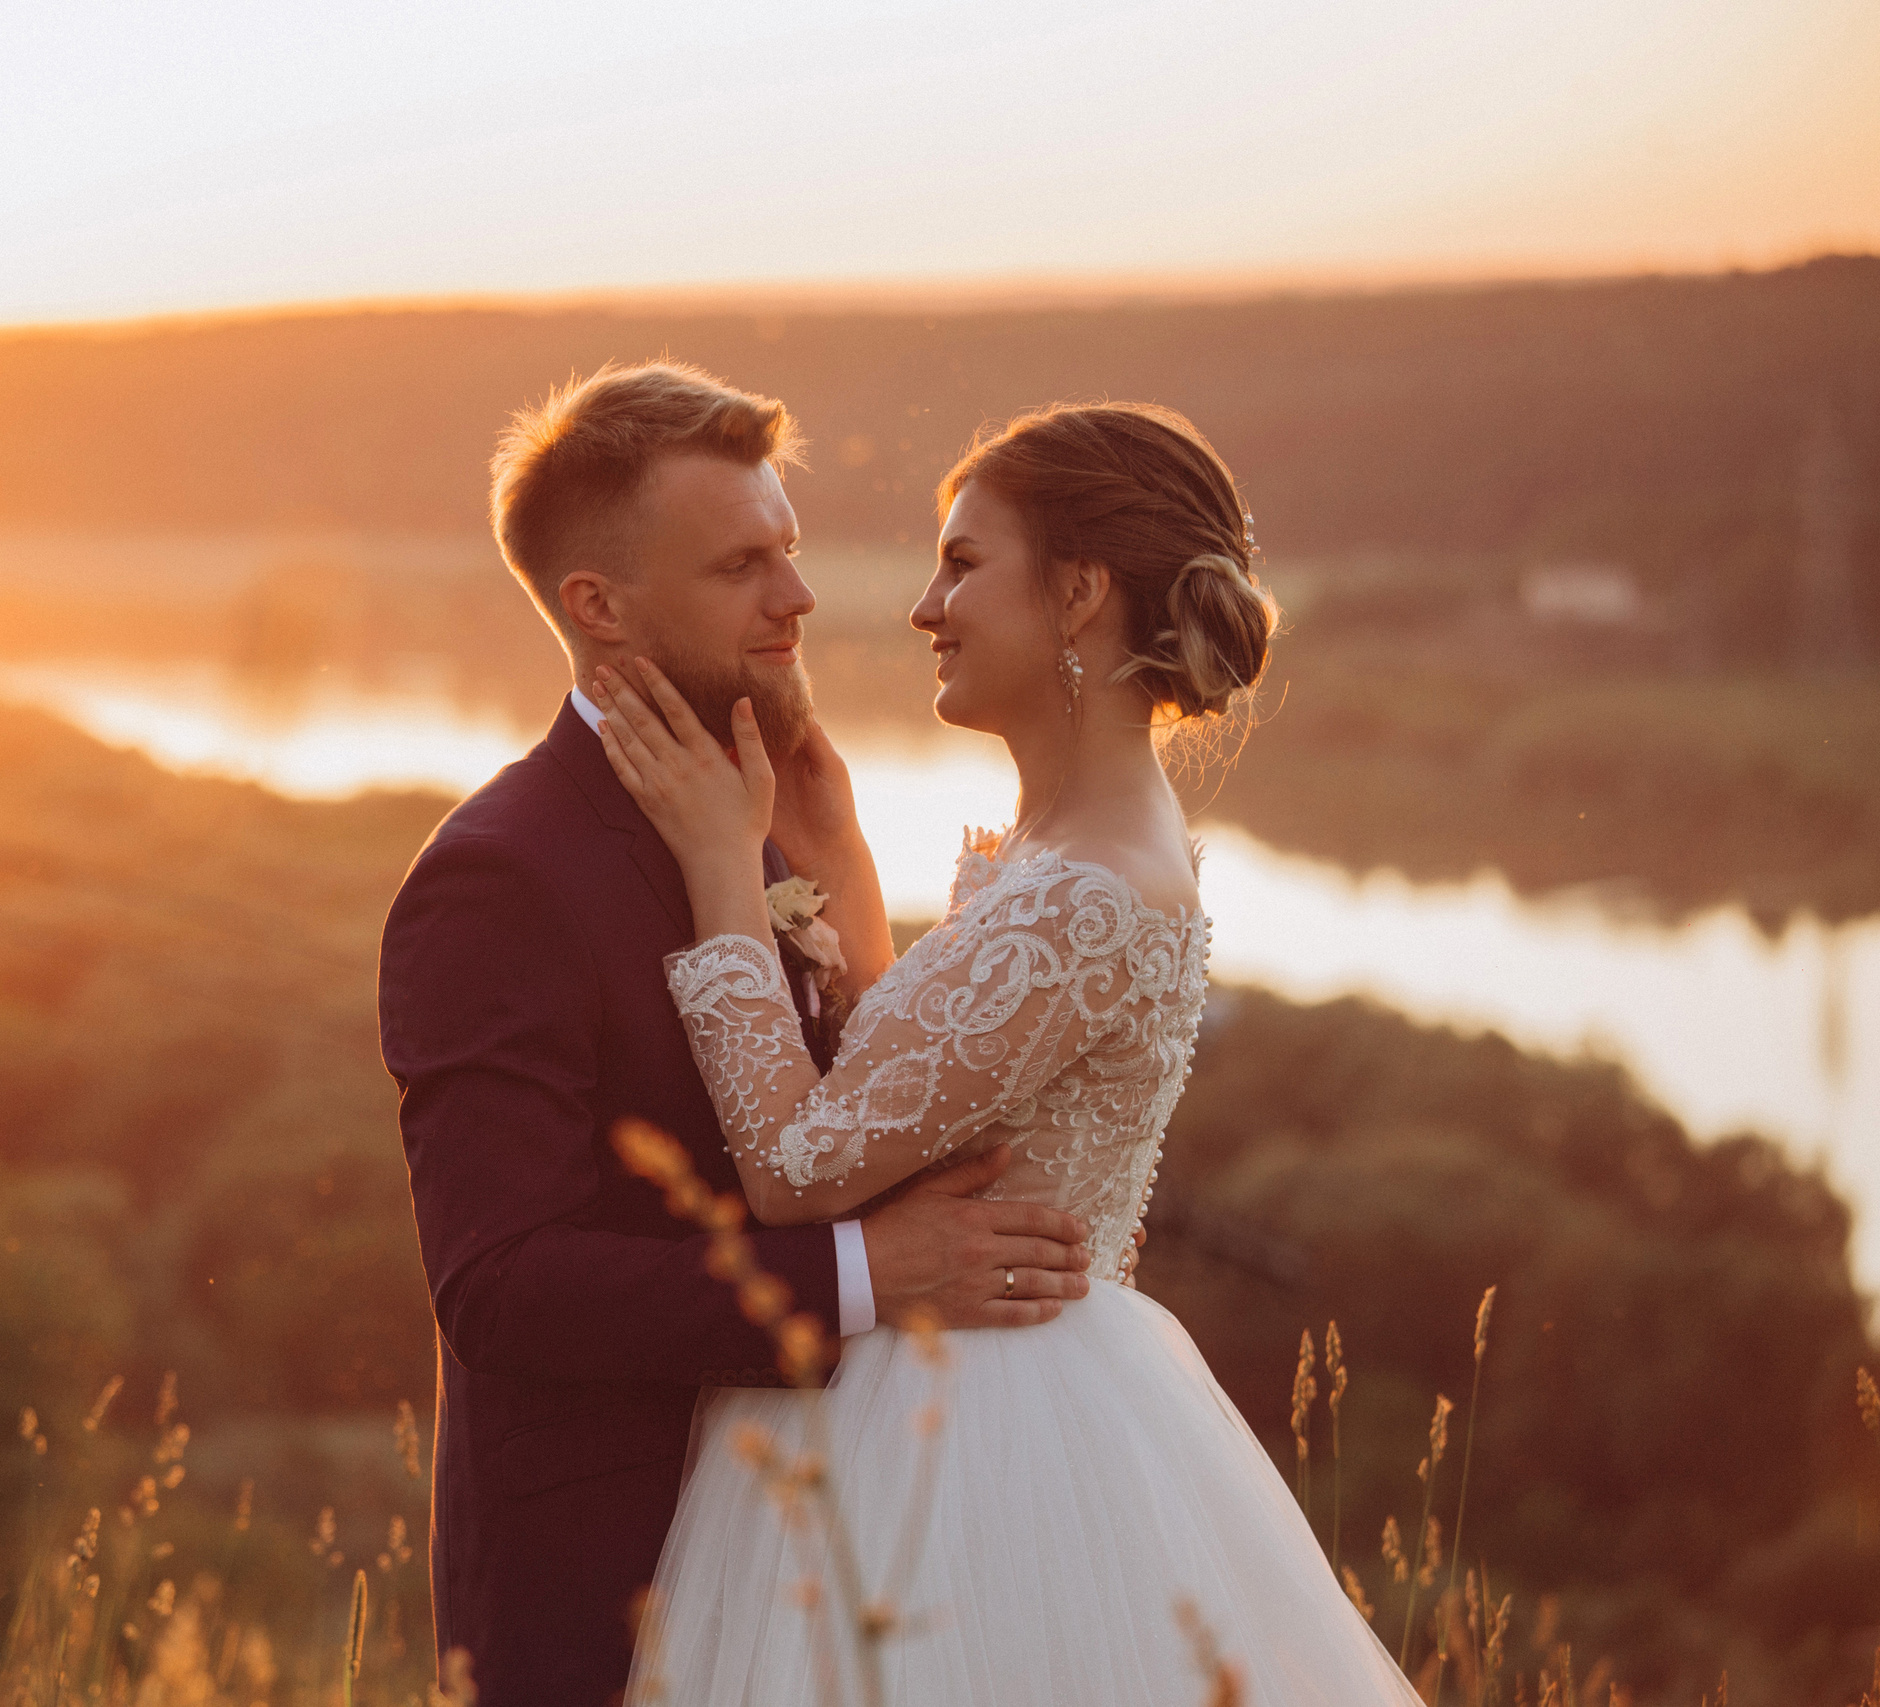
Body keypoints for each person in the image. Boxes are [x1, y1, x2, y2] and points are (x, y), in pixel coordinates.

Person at [599, 401, 1423, 1702]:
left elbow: (801, 1167)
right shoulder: (1070, 848)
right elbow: (916, 1090)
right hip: (998, 1386)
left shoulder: (1085, 890)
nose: (926, 606)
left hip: (977, 1441)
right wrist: (843, 861)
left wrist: (719, 865)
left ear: (1082, 591)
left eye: (965, 563)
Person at [377, 363, 1097, 1707]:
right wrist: (868, 1274)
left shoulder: (767, 811)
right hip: (610, 1579)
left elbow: (840, 1114)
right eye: (742, 565)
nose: (799, 597)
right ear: (599, 606)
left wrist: (842, 870)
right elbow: (499, 1285)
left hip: (827, 1548)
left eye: (793, 550)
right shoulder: (499, 874)